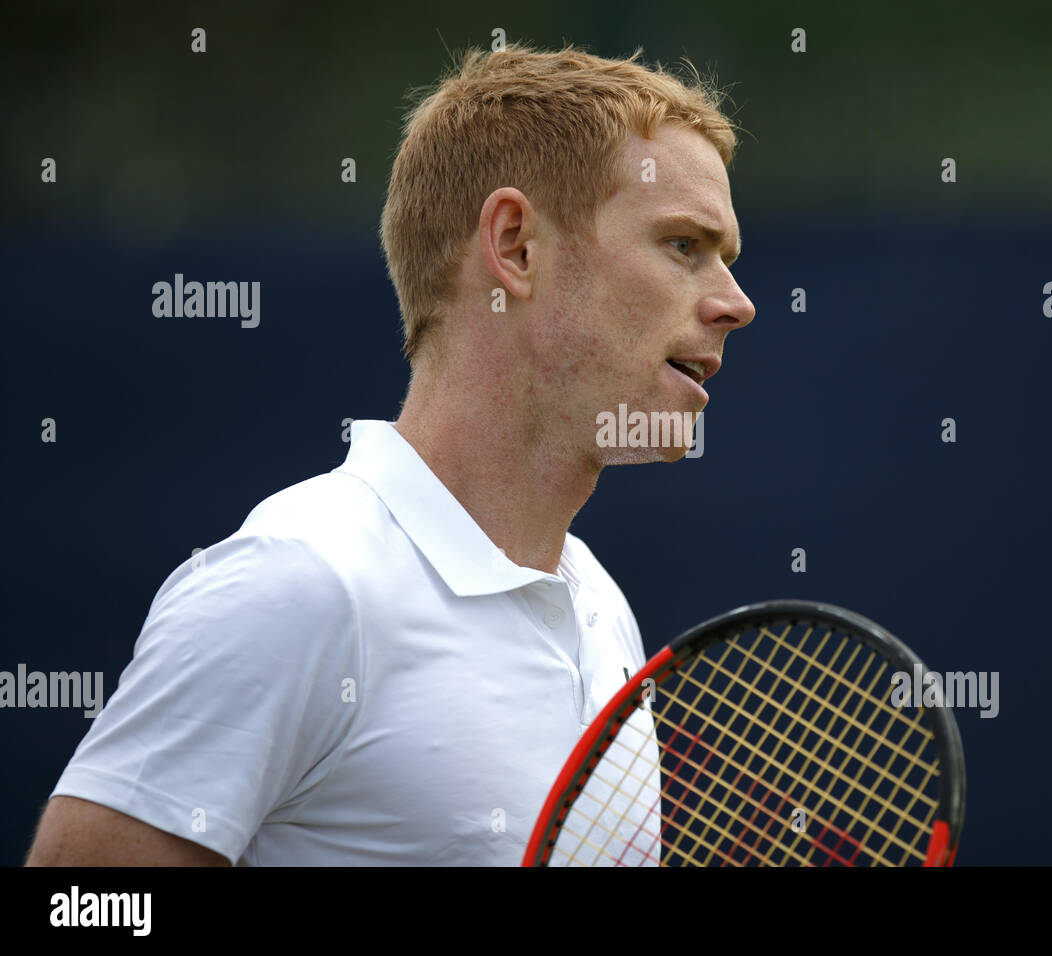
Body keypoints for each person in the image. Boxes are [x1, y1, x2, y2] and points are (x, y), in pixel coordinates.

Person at [26, 43, 755, 866]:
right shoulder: (298, 584)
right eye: (684, 246)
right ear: (515, 247)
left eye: (726, 258)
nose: (737, 302)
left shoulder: (601, 612)